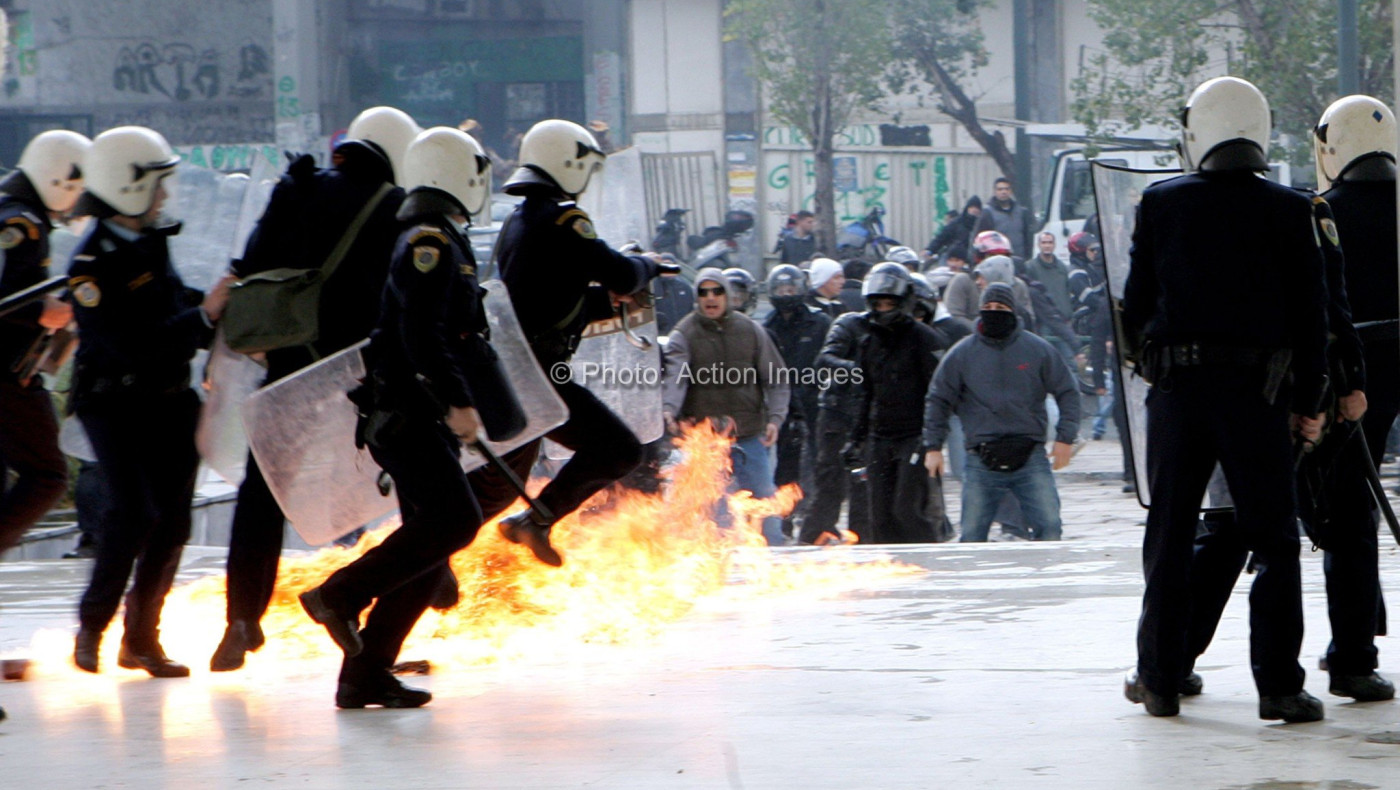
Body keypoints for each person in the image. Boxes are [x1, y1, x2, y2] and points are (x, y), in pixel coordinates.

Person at [1120, 77, 1329, 722]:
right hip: (1256, 396)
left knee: (1171, 532)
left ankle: (1159, 678)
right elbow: (1311, 318)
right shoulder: (1292, 209)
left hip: (1179, 394)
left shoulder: (1161, 203)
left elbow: (1136, 307)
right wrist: (1311, 400)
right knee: (1273, 542)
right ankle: (1279, 687)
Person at [1187, 95, 1400, 707]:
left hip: (1328, 389)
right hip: (1375, 387)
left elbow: (1312, 310)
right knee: (1353, 525)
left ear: (1330, 146)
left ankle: (1174, 656)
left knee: (1240, 524)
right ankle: (1355, 659)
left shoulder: (1317, 212)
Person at [298, 127, 504, 708]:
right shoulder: (428, 241)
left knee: (428, 550)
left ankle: (364, 674)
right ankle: (338, 595)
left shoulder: (437, 237)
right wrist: (459, 401)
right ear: (455, 174)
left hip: (418, 411)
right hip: (408, 411)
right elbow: (421, 333)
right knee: (454, 521)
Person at [210, 110, 410, 672]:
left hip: (289, 365)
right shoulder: (393, 207)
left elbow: (251, 264)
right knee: (414, 477)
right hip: (357, 372)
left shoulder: (297, 186)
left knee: (262, 495)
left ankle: (242, 620)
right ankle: (424, 585)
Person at [68, 126, 234, 677]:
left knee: (173, 522)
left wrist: (226, 309)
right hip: (116, 402)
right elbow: (127, 343)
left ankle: (141, 638)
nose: (164, 197)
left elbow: (173, 304)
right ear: (129, 185)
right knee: (131, 512)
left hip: (167, 398)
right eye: (157, 186)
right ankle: (93, 627)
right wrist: (202, 317)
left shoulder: (148, 243)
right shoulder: (90, 265)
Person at [489, 119, 673, 565]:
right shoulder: (563, 219)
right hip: (537, 373)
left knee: (494, 489)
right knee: (619, 449)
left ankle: (453, 553)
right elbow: (621, 273)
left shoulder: (523, 219)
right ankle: (531, 522)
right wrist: (647, 265)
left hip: (519, 370)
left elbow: (553, 298)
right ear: (567, 162)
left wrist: (608, 303)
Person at [923, 284, 1078, 542]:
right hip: (980, 458)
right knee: (972, 534)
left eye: (1001, 308)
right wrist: (933, 446)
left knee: (1050, 526)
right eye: (988, 308)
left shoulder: (1038, 349)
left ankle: (1049, 576)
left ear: (1013, 311)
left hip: (1031, 455)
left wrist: (1065, 438)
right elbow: (938, 398)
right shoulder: (961, 353)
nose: (994, 312)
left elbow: (1068, 391)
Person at [0, 130, 88, 558]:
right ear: (61, 179)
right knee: (48, 475)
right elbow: (7, 293)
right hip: (7, 372)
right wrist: (42, 311)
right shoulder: (22, 222)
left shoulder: (14, 212)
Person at [663, 268, 790, 544]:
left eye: (717, 291)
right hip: (706, 441)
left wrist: (775, 419)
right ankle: (722, 573)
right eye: (704, 292)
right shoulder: (683, 333)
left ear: (727, 295)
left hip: (749, 436)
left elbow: (777, 378)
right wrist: (669, 410)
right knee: (716, 514)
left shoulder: (751, 330)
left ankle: (776, 563)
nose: (711, 298)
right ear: (696, 297)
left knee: (765, 507)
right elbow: (675, 377)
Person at [846, 264, 944, 543]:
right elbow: (864, 392)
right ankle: (889, 567)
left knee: (907, 509)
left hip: (914, 437)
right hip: (879, 437)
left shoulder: (925, 339)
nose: (885, 309)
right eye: (879, 303)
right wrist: (856, 438)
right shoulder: (868, 342)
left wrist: (933, 440)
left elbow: (938, 393)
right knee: (878, 515)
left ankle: (928, 559)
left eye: (891, 303)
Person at [762, 265, 831, 538]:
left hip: (817, 401)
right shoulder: (767, 327)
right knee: (785, 466)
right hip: (785, 405)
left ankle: (820, 520)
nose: (786, 294)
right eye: (780, 289)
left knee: (822, 462)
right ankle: (785, 519)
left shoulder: (820, 322)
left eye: (791, 289)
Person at [972, 178, 1033, 258]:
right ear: (995, 192)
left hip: (1020, 259)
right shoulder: (987, 213)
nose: (1003, 192)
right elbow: (979, 239)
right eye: (1000, 189)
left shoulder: (1021, 212)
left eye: (1006, 189)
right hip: (998, 259)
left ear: (1010, 191)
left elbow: (1027, 238)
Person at [1027, 231, 1074, 322]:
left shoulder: (1062, 267)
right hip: (1044, 321)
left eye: (1050, 242)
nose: (1047, 245)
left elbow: (1067, 291)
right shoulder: (1030, 267)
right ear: (1038, 245)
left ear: (1054, 245)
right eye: (1044, 242)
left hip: (1065, 319)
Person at [924, 196, 981, 263]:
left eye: (977, 208)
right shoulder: (957, 223)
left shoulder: (981, 224)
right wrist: (930, 250)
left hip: (974, 259)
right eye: (971, 207)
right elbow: (942, 237)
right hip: (954, 257)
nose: (974, 210)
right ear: (967, 208)